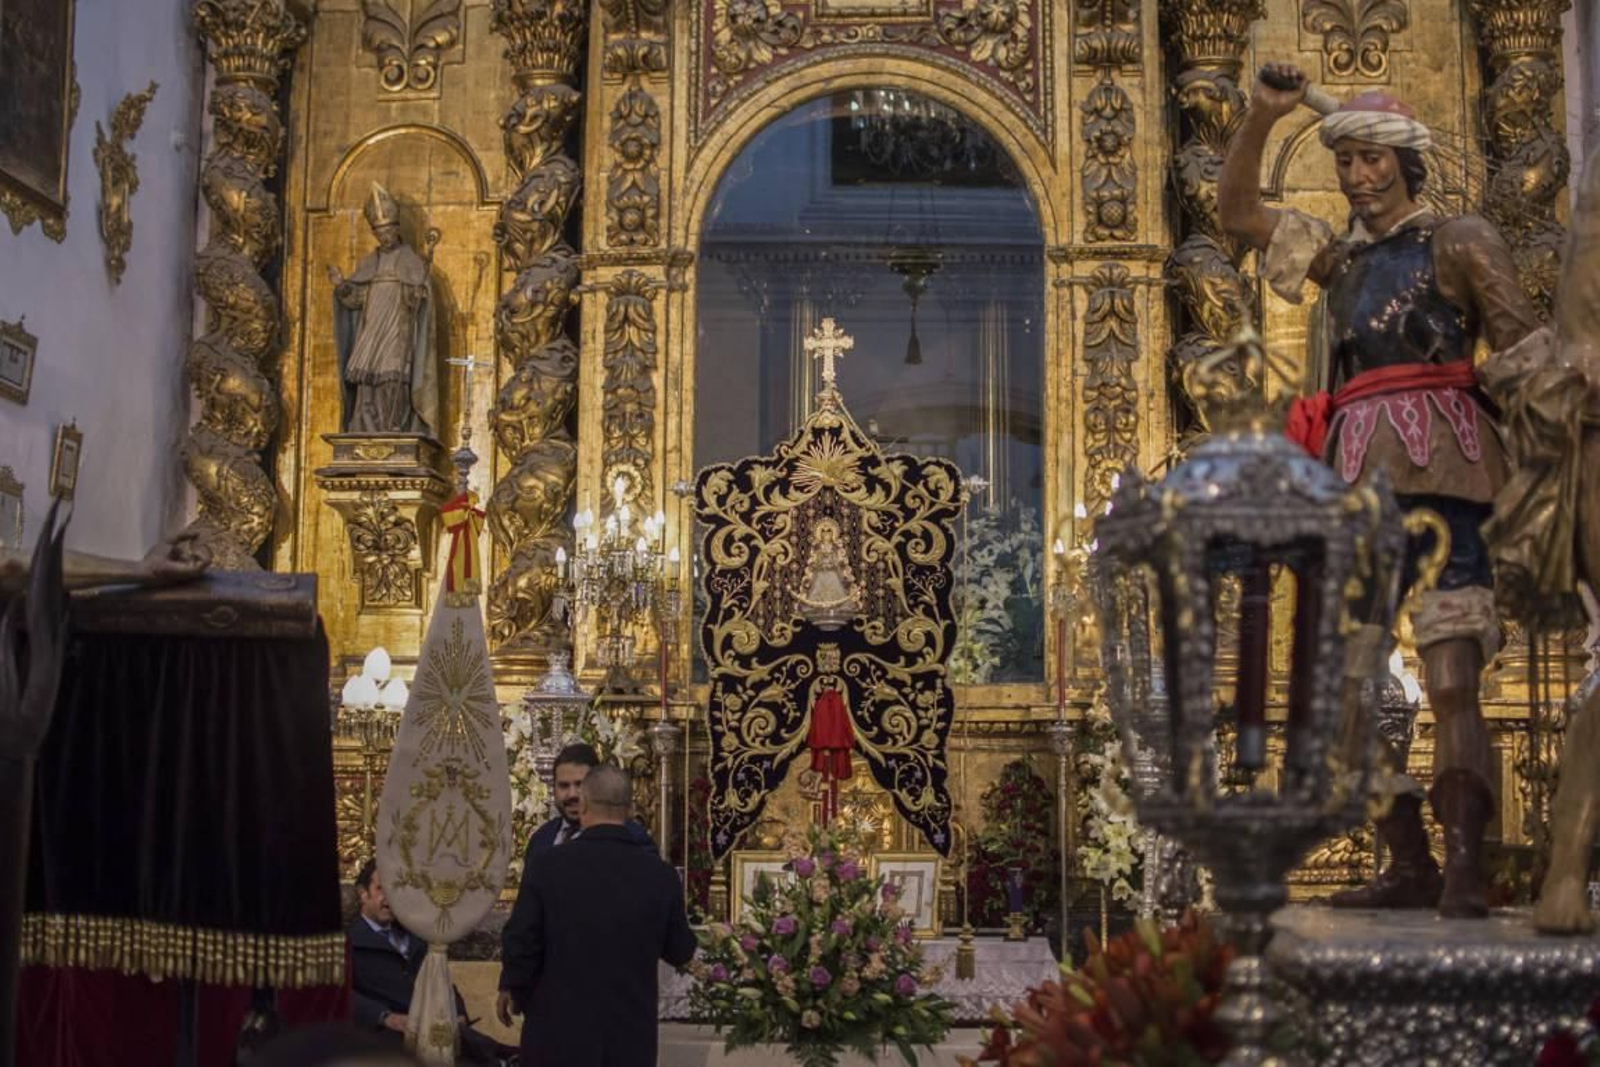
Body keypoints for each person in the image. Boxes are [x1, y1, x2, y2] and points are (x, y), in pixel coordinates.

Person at [1218, 64, 1542, 919]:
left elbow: (1518, 346)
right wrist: (1260, 116)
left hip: (1445, 466)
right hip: (1360, 480)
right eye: (1346, 162)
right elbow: (1237, 216)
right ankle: (1409, 854)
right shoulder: (1340, 259)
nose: (1358, 177)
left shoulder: (1460, 240)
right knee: (1347, 676)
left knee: (1450, 671)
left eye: (1371, 160)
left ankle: (1467, 857)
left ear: (1404, 161)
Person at [496, 765, 696, 1067]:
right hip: (628, 1040)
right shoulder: (661, 876)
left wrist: (511, 986)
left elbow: (523, 939)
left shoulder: (548, 866)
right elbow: (680, 949)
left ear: (585, 804)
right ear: (630, 809)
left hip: (557, 1036)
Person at [347, 859, 506, 1065]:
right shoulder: (348, 943)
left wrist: (458, 1013)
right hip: (389, 1039)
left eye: (395, 890)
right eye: (381, 889)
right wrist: (385, 1016)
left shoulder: (419, 936)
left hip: (437, 1033)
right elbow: (342, 994)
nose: (389, 899)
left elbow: (442, 981)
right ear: (363, 894)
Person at [330, 182, 439, 437]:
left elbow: (421, 296)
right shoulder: (371, 263)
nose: (384, 238)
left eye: (388, 232)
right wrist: (342, 287)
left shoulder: (411, 260)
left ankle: (394, 427)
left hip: (397, 330)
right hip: (372, 330)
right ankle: (366, 429)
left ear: (397, 229)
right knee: (367, 380)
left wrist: (417, 296)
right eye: (379, 233)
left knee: (393, 377)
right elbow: (355, 299)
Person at [519, 743, 654, 861]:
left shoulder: (632, 837)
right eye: (564, 786)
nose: (572, 794)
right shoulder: (542, 838)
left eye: (580, 784)